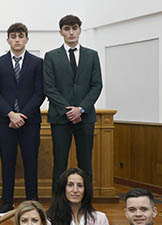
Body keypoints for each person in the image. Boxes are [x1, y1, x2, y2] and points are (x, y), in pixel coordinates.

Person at [0, 23, 45, 217]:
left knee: (31, 161)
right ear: (8, 40)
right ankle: (6, 202)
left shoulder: (38, 63)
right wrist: (10, 114)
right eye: (13, 36)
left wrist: (22, 115)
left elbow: (40, 93)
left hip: (30, 121)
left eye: (21, 36)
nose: (17, 40)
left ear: (27, 39)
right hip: (5, 121)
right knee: (7, 162)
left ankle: (32, 201)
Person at [44, 15, 103, 182]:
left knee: (86, 163)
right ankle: (57, 206)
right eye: (67, 29)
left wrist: (81, 109)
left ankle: (86, 205)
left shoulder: (92, 55)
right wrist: (69, 110)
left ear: (79, 30)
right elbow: (49, 87)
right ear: (61, 32)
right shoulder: (51, 56)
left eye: (74, 28)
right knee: (60, 164)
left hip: (85, 117)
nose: (71, 32)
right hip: (60, 117)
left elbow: (96, 85)